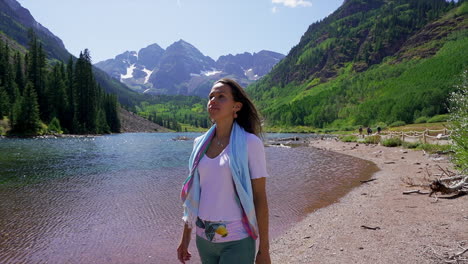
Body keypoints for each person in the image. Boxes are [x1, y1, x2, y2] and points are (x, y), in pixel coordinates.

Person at [178, 78, 271, 264]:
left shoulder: (250, 143)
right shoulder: (199, 144)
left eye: (221, 97)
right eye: (211, 96)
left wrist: (264, 250)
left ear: (236, 106)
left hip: (237, 240)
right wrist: (185, 239)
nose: (213, 100)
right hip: (204, 239)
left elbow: (259, 197)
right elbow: (194, 195)